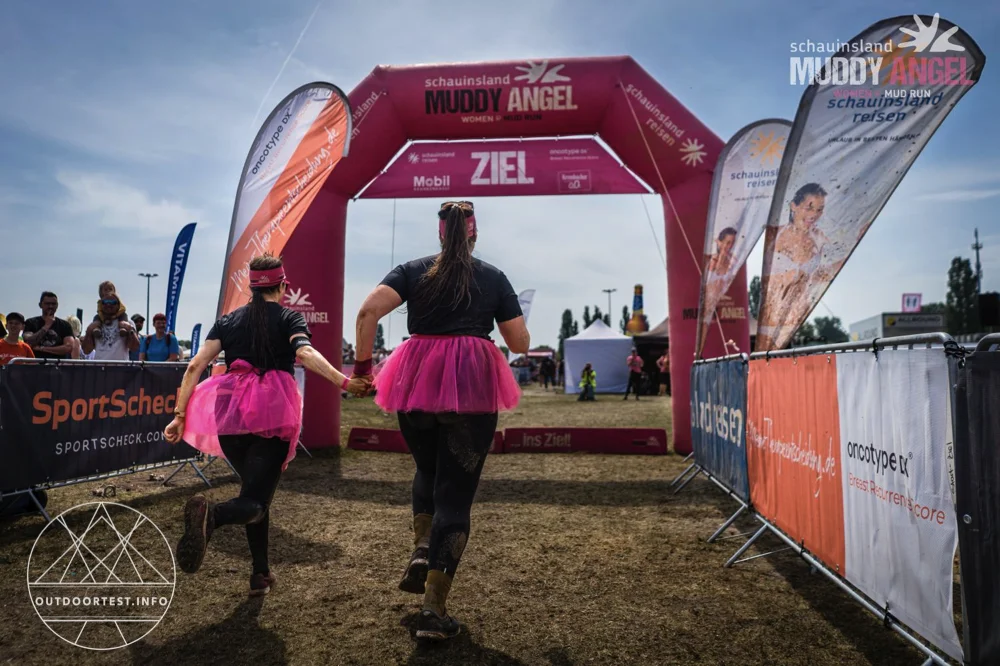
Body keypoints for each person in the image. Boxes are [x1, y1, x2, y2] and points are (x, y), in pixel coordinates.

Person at [354, 200, 528, 641]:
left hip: (414, 379)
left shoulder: (411, 270)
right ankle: (433, 608)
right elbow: (520, 343)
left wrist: (361, 370)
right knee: (456, 492)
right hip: (470, 387)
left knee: (426, 470)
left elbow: (366, 312)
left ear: (440, 233)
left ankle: (420, 549)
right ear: (474, 233)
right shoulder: (492, 276)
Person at [164, 253, 370, 595]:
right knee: (256, 502)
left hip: (228, 412)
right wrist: (345, 382)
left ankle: (260, 574)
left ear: (250, 287)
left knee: (255, 492)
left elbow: (194, 366)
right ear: (284, 286)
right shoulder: (289, 317)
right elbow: (304, 354)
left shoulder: (228, 321)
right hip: (271, 416)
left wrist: (179, 415)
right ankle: (211, 516)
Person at [83, 292, 139, 361]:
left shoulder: (128, 323)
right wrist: (88, 331)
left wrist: (130, 330)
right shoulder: (95, 325)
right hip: (100, 369)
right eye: (105, 302)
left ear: (118, 305)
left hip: (121, 369)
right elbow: (86, 350)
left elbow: (134, 348)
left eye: (113, 302)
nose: (109, 304)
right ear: (101, 305)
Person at [23, 292, 75, 360]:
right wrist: (46, 326)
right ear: (40, 305)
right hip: (35, 366)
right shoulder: (31, 322)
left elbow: (68, 347)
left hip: (57, 367)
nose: (50, 306)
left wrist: (42, 348)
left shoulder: (65, 325)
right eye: (47, 304)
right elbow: (29, 342)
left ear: (57, 305)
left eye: (53, 304)